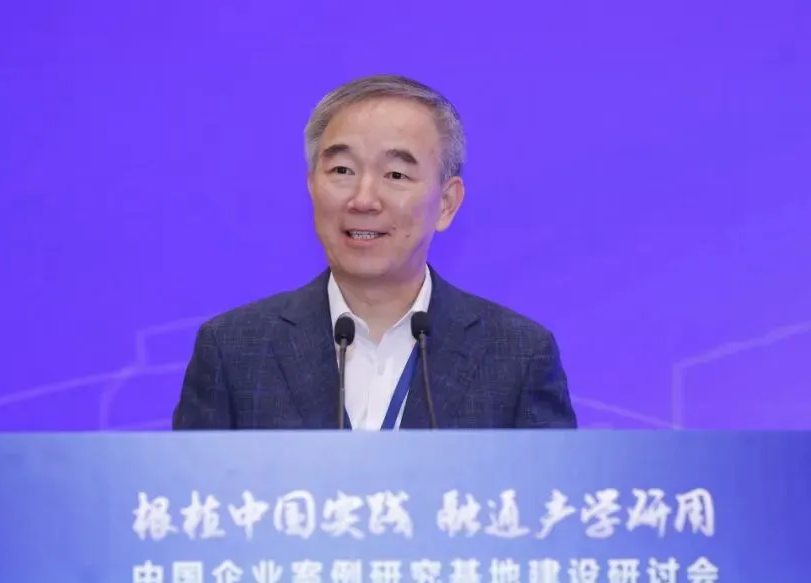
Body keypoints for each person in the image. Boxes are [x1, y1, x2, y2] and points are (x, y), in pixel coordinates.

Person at [172, 74, 577, 430]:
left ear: (446, 203)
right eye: (342, 171)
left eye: (396, 174)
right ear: (312, 186)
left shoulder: (518, 355)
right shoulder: (233, 349)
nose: (363, 199)